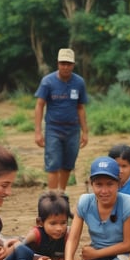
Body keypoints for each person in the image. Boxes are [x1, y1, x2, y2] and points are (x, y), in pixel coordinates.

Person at [34, 48, 88, 193]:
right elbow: (39, 105)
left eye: (68, 64)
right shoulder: (48, 82)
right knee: (53, 164)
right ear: (58, 64)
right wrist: (38, 132)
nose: (65, 67)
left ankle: (61, 194)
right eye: (62, 63)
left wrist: (85, 132)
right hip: (53, 129)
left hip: (73, 130)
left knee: (67, 164)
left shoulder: (79, 83)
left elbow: (80, 108)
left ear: (73, 65)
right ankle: (52, 198)